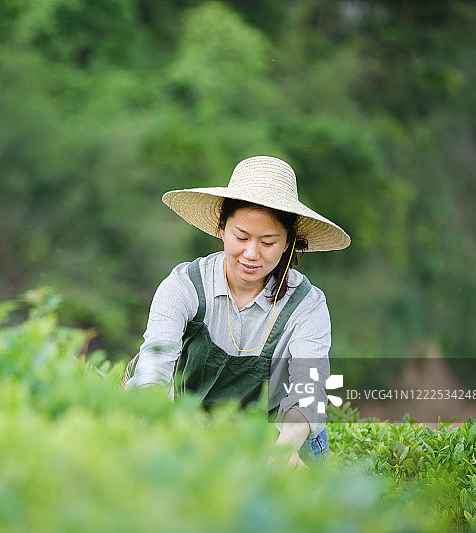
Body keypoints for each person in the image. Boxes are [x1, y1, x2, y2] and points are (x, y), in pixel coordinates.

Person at [125, 155, 350, 467]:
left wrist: (283, 449)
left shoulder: (307, 305)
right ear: (221, 228)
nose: (252, 254)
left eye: (268, 242)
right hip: (192, 431)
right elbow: (154, 364)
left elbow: (308, 389)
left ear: (288, 243)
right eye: (241, 237)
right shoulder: (185, 286)